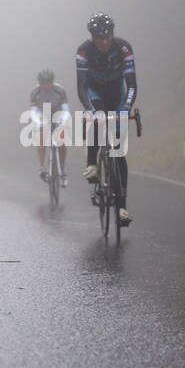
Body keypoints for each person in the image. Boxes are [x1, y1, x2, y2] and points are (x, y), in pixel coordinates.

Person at [75, 12, 137, 226]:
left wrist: (126, 108)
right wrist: (91, 111)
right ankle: (92, 164)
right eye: (99, 37)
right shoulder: (84, 51)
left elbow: (132, 85)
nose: (104, 41)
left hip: (117, 94)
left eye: (108, 36)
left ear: (112, 33)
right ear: (92, 36)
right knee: (98, 118)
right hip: (95, 92)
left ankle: (122, 207)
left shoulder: (124, 48)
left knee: (118, 151)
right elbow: (82, 86)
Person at [29, 69, 71, 185]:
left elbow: (66, 110)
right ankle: (42, 167)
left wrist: (62, 121)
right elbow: (33, 112)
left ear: (52, 82)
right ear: (39, 83)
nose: (46, 86)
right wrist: (40, 123)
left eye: (48, 83)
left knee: (62, 140)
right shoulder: (35, 92)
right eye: (43, 83)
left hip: (58, 115)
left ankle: (62, 172)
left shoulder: (60, 90)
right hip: (43, 115)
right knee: (41, 136)